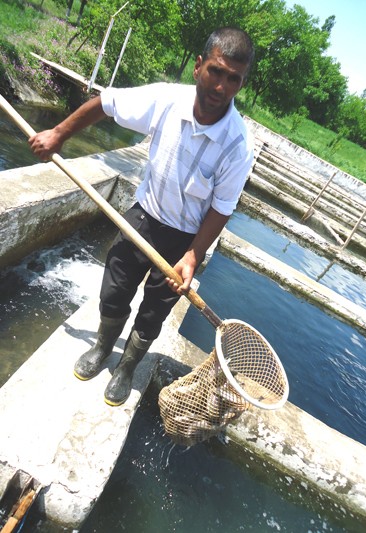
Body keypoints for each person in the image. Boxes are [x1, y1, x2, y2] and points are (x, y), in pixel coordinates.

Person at [29, 26, 255, 407]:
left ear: (241, 83)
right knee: (114, 288)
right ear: (198, 67)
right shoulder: (166, 99)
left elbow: (222, 207)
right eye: (216, 71)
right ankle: (102, 348)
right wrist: (59, 134)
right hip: (145, 215)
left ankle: (127, 367)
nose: (221, 86)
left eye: (233, 79)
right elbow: (106, 103)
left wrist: (193, 256)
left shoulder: (239, 144)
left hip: (186, 237)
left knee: (155, 310)